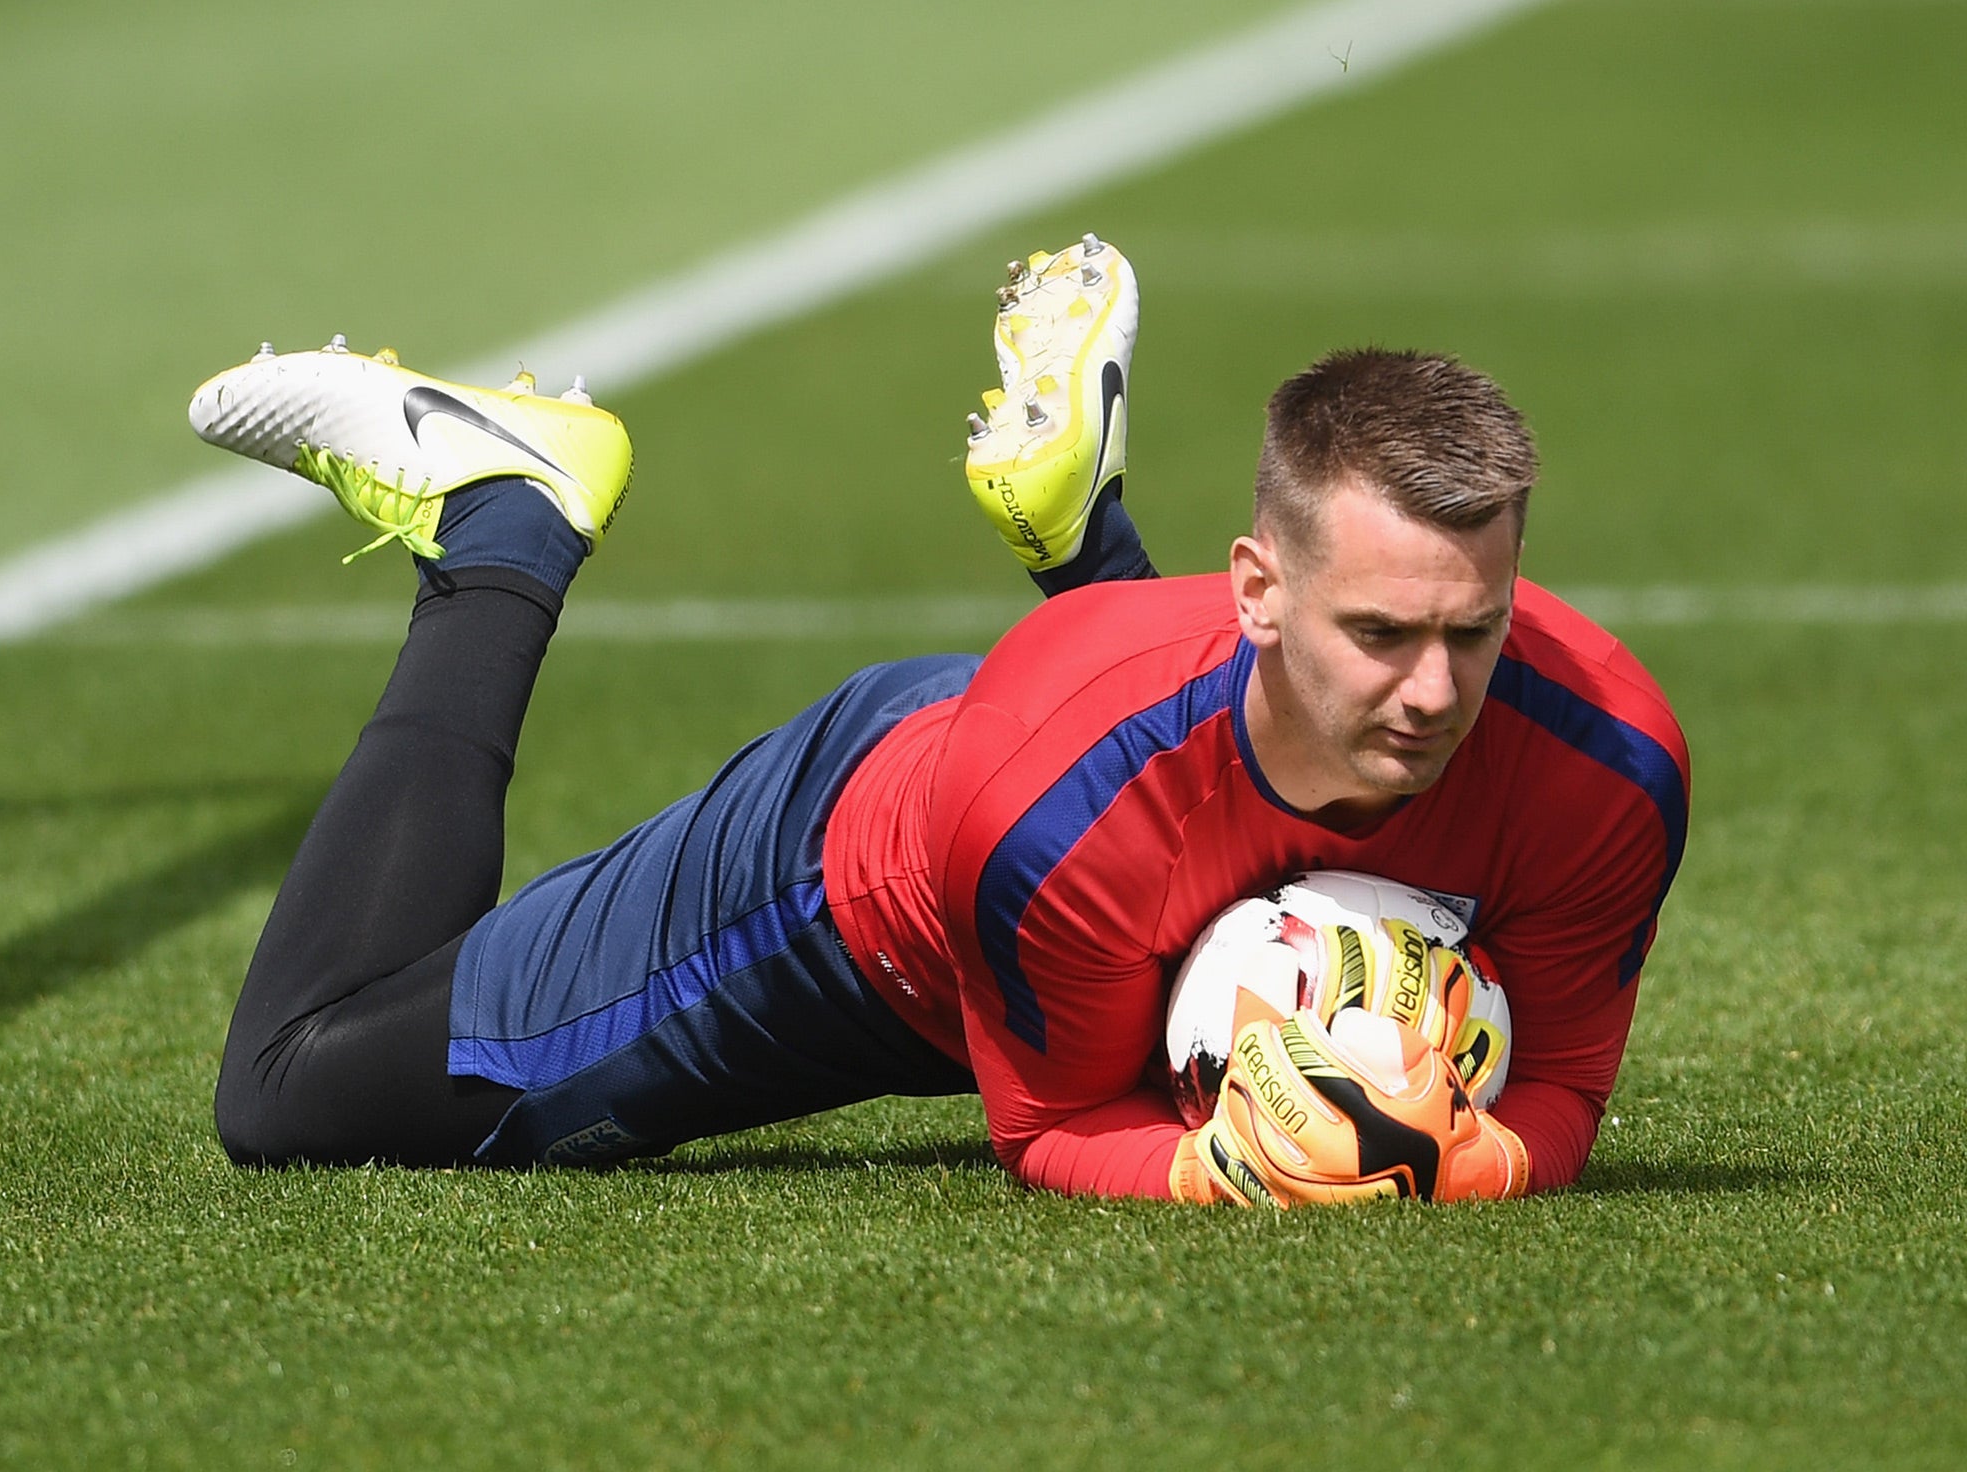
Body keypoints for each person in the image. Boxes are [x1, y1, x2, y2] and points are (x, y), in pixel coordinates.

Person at [191, 236, 1687, 1205]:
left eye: (1471, 632)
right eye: (1381, 633)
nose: (1434, 690)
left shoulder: (1609, 763)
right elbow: (1053, 1126)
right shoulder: (1048, 815)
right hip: (848, 899)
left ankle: (1081, 539)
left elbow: (1566, 1080)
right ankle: (507, 518)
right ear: (1258, 588)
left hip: (1097, 754)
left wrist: (1479, 1156)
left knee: (1191, 769)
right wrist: (1224, 1170)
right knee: (292, 1089)